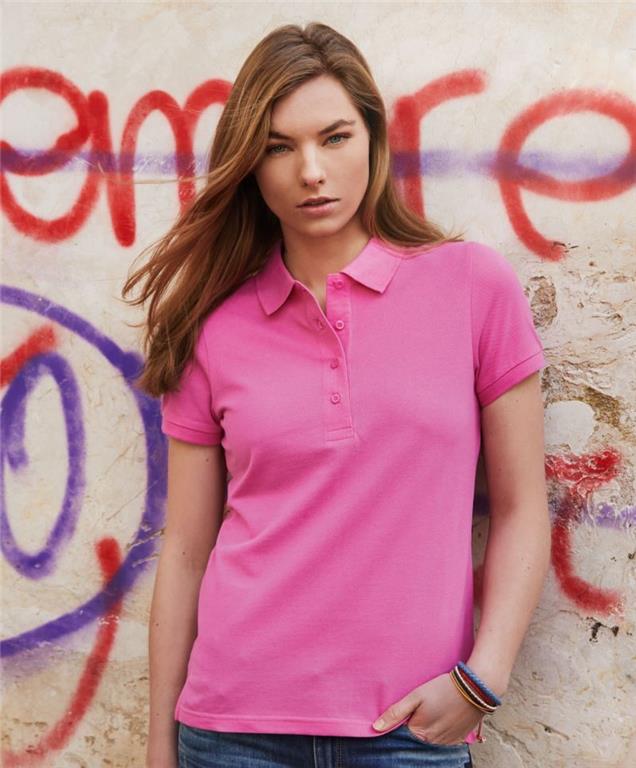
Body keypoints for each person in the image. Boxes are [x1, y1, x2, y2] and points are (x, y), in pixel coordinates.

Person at [122, 21, 552, 768]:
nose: (311, 171)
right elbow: (187, 551)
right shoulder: (212, 326)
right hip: (232, 731)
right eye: (278, 147)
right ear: (249, 166)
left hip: (408, 733)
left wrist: (482, 681)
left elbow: (521, 509)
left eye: (335, 137)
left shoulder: (472, 287)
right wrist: (161, 746)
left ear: (374, 140)